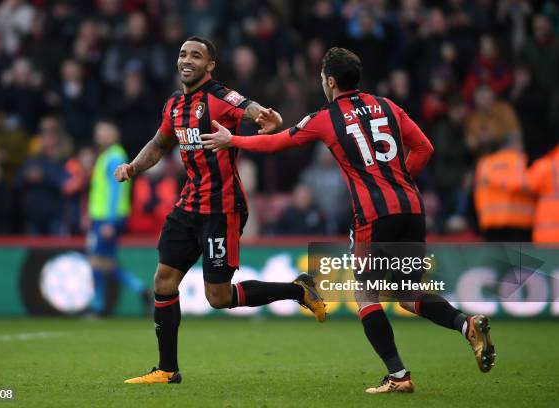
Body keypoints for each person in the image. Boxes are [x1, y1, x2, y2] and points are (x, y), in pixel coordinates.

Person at [201, 47, 496, 394]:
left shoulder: (325, 117)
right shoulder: (388, 106)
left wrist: (231, 139)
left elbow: (278, 142)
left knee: (366, 294)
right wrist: (398, 181)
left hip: (373, 214)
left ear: (329, 81)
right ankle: (466, 325)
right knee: (407, 292)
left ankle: (398, 376)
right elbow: (425, 148)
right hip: (412, 208)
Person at [114, 36, 326, 384]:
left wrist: (264, 116)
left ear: (209, 65)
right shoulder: (174, 106)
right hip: (188, 205)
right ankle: (167, 370)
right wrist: (134, 167)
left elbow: (247, 106)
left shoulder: (219, 96)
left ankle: (298, 290)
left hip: (222, 208)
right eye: (182, 54)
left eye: (196, 56)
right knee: (163, 281)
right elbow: (159, 143)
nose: (187, 60)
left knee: (218, 297)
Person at [87, 121, 150, 315]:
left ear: (113, 134)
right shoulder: (107, 156)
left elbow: (116, 190)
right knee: (107, 262)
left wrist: (109, 221)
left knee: (97, 262)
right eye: (98, 132)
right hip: (101, 217)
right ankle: (140, 289)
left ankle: (98, 307)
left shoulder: (115, 156)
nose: (99, 135)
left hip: (107, 218)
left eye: (104, 132)